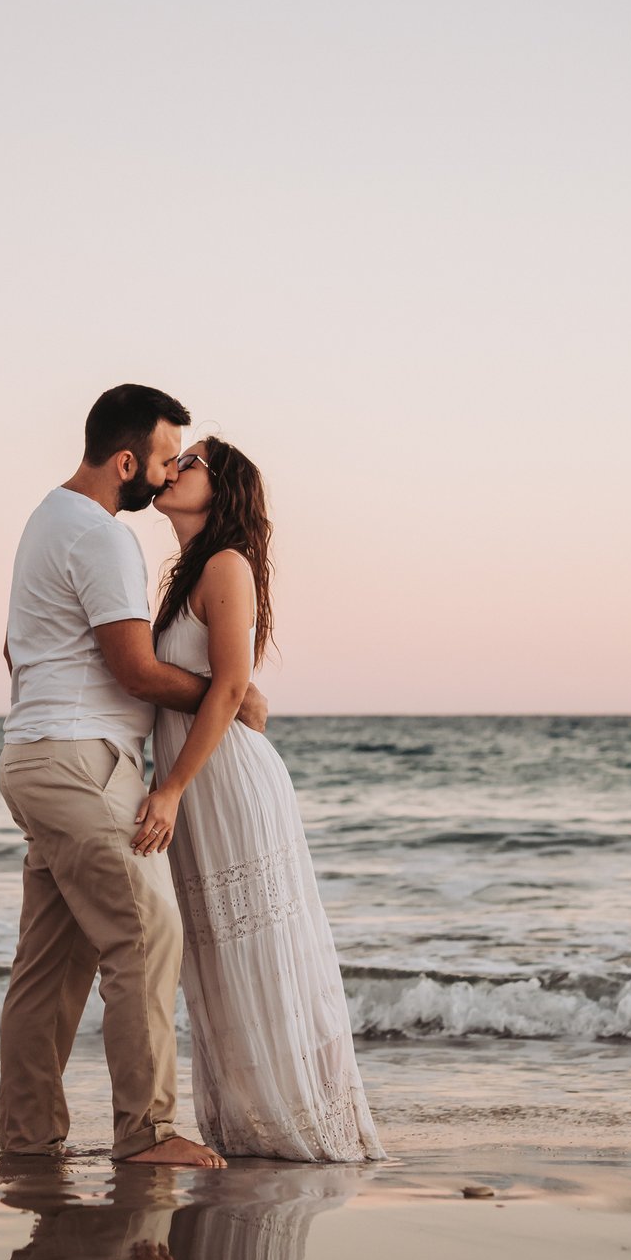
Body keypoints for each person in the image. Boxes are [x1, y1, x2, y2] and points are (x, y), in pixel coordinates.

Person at [0, 385, 266, 1168]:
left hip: (37, 755)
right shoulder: (104, 537)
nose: (166, 471)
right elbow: (137, 670)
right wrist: (230, 696)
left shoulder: (44, 520)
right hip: (80, 764)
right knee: (148, 934)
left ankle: (29, 1140)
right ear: (125, 461)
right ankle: (146, 1132)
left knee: (51, 965)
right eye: (160, 458)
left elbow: (15, 652)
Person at [137, 436, 387, 1161]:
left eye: (191, 463)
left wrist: (172, 788)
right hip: (202, 782)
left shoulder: (226, 564)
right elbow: (227, 686)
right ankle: (250, 1130)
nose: (174, 467)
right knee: (220, 955)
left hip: (224, 785)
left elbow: (230, 687)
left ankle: (299, 1128)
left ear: (221, 489)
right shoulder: (189, 575)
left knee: (261, 951)